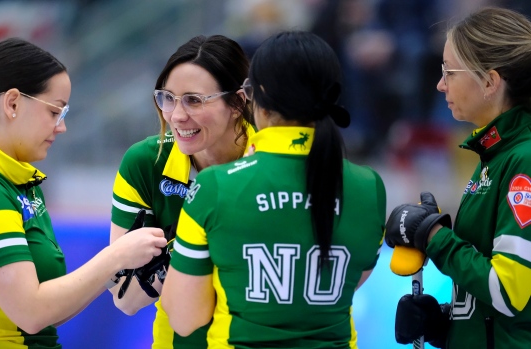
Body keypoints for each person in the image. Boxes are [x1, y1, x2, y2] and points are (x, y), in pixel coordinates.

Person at [0, 37, 167, 348]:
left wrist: (117, 268)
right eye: (55, 112)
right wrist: (116, 255)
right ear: (12, 103)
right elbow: (32, 313)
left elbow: (50, 311)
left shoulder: (19, 182)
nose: (61, 127)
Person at [162, 30, 387, 348]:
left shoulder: (216, 186)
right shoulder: (370, 187)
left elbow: (185, 319)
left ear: (259, 96)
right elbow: (350, 282)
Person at [384, 7, 531, 349]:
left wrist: (434, 235)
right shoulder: (494, 157)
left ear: (490, 82)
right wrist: (443, 323)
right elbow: (494, 307)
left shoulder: (523, 160)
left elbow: (508, 291)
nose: (440, 84)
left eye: (449, 71)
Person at [108, 35, 254, 348]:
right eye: (168, 98)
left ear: (239, 102)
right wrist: (191, 246)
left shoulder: (275, 161)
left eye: (194, 100)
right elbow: (125, 297)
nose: (176, 115)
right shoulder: (146, 163)